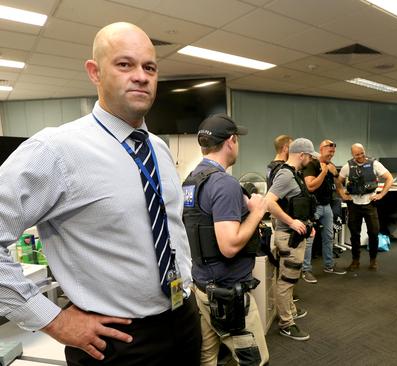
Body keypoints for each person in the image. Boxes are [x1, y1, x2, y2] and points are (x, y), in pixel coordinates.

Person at [0, 22, 201, 365]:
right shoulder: (55, 150)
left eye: (149, 67)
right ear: (94, 72)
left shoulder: (159, 149)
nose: (141, 76)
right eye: (125, 64)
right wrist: (52, 319)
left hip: (183, 320)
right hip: (118, 341)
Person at [182, 114, 269, 365]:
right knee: (255, 360)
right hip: (226, 294)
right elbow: (229, 245)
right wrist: (257, 211)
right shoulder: (224, 183)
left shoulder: (191, 181)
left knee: (208, 356)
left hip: (203, 286)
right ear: (231, 141)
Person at [267, 138, 319, 341]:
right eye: (309, 156)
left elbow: (299, 205)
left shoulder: (294, 175)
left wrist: (306, 226)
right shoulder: (285, 175)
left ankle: (290, 310)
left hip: (296, 235)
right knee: (287, 280)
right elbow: (269, 202)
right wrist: (292, 222)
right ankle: (286, 324)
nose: (310, 160)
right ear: (302, 155)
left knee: (290, 277)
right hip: (289, 237)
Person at [338, 143, 393, 271]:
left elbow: (389, 178)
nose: (360, 156)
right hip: (354, 205)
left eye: (362, 153)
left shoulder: (374, 164)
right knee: (354, 234)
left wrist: (381, 195)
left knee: (374, 233)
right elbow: (338, 182)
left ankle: (373, 260)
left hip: (370, 204)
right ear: (352, 154)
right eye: (357, 154)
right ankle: (355, 260)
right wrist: (342, 194)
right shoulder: (347, 167)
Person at [301, 139, 347, 283]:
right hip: (313, 207)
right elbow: (310, 186)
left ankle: (329, 265)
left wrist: (335, 175)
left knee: (329, 237)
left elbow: (338, 184)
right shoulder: (312, 164)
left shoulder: (331, 166)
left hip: (327, 206)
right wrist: (324, 171)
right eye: (329, 151)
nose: (331, 154)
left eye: (333, 152)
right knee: (309, 239)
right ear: (321, 149)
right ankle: (306, 270)